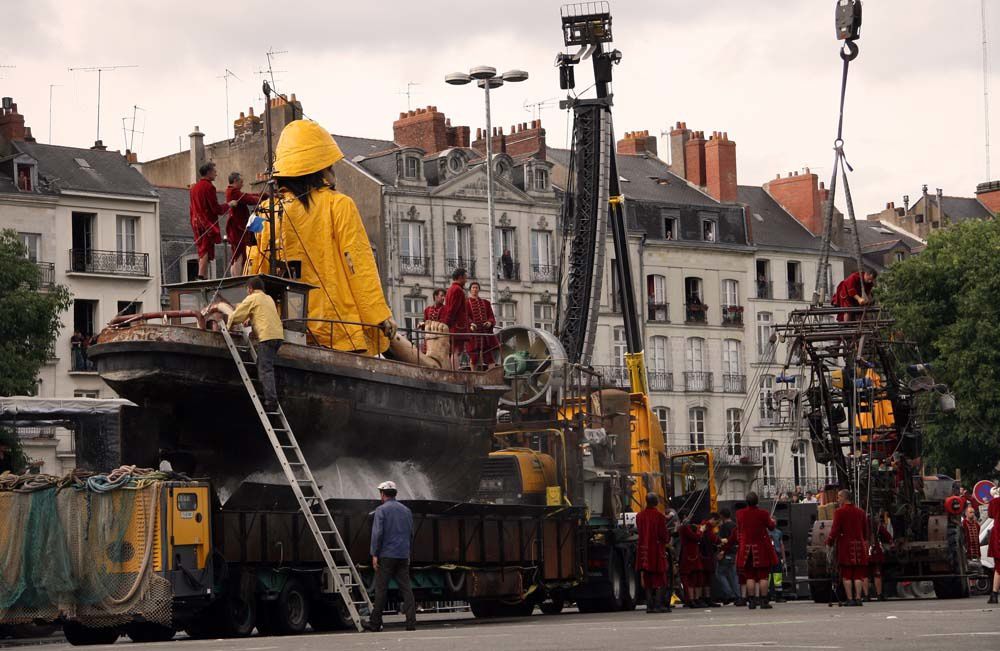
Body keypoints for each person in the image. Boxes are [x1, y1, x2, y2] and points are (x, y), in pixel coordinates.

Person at [251, 119, 395, 355]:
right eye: (329, 166)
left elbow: (254, 267)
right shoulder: (338, 205)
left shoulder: (266, 211)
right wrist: (379, 315)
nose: (333, 172)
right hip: (337, 331)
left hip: (281, 332)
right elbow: (358, 265)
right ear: (318, 170)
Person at [364, 481, 416, 632]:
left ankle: (374, 623)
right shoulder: (406, 511)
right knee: (406, 589)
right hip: (403, 555)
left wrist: (374, 554)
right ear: (395, 493)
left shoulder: (381, 510)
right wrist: (407, 552)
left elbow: (377, 534)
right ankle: (411, 623)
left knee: (381, 589)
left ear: (382, 494)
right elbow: (411, 534)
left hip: (386, 555)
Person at [227, 277, 285, 411]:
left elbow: (237, 315)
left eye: (247, 290)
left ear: (250, 288)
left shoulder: (252, 298)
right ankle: (266, 394)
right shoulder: (268, 298)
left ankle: (271, 402)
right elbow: (264, 316)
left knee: (266, 369)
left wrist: (228, 325)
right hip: (278, 336)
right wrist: (251, 320)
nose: (247, 292)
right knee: (262, 364)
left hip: (267, 337)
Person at [190, 161, 235, 280]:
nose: (216, 174)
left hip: (196, 221)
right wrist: (229, 205)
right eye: (214, 171)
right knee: (206, 248)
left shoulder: (194, 188)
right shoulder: (209, 187)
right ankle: (201, 276)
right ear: (209, 173)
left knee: (202, 248)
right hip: (206, 222)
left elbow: (192, 207)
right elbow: (215, 208)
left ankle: (203, 275)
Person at [826, 489, 870, 606]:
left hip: (845, 546)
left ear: (845, 498)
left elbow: (835, 530)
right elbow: (865, 531)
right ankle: (858, 598)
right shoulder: (861, 512)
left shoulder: (839, 512)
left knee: (846, 574)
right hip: (859, 545)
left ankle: (850, 599)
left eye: (839, 496)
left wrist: (829, 541)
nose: (838, 499)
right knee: (858, 574)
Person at [736, 491, 778, 610]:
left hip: (746, 549)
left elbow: (739, 530)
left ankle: (752, 601)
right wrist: (772, 522)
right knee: (763, 576)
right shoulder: (763, 513)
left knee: (750, 576)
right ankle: (764, 601)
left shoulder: (740, 514)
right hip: (761, 547)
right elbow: (771, 526)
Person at [636, 493, 671, 614]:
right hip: (656, 550)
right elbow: (664, 535)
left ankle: (649, 605)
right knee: (661, 580)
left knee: (648, 580)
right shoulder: (659, 516)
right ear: (655, 502)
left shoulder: (639, 516)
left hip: (643, 551)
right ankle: (658, 605)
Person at [225, 172, 263, 277]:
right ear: (235, 181)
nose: (242, 184)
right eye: (241, 182)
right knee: (239, 255)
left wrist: (262, 195)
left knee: (237, 255)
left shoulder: (232, 192)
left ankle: (235, 278)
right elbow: (247, 198)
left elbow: (247, 196)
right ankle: (237, 279)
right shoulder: (233, 192)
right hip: (237, 228)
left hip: (236, 228)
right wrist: (260, 199)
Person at [438, 268, 471, 369]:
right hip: (457, 326)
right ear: (460, 277)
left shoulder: (451, 289)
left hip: (454, 324)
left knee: (454, 351)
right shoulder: (457, 290)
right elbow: (452, 309)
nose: (466, 280)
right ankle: (455, 373)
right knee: (455, 351)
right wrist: (447, 323)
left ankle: (454, 371)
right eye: (465, 278)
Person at [465, 281, 500, 370]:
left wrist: (489, 322)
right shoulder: (466, 303)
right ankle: (473, 376)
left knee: (489, 358)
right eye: (473, 288)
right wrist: (471, 323)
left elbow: (491, 316)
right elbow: (465, 316)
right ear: (470, 290)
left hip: (485, 335)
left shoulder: (486, 303)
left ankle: (491, 376)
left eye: (476, 287)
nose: (475, 289)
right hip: (474, 335)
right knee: (474, 358)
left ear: (479, 289)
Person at [714, 508, 743, 606]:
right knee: (733, 575)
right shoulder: (735, 525)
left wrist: (722, 551)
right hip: (735, 553)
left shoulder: (723, 527)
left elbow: (725, 541)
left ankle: (729, 593)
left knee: (719, 573)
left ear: (722, 516)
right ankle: (738, 595)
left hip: (726, 553)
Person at [677, 515, 704, 607]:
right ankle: (691, 599)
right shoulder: (684, 528)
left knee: (693, 579)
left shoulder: (683, 528)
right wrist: (700, 531)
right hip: (690, 555)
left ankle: (693, 599)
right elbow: (696, 537)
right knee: (689, 579)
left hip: (690, 554)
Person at [868, 510, 893, 601]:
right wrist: (891, 542)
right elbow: (887, 536)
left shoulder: (860, 523)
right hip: (875, 550)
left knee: (864, 574)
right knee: (877, 573)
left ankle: (866, 595)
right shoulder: (877, 525)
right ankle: (879, 594)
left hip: (863, 549)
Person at [699, 513, 722, 607]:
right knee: (705, 578)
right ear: (712, 519)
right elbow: (712, 538)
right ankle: (705, 598)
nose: (715, 525)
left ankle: (706, 598)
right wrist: (720, 540)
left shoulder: (704, 525)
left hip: (706, 554)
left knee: (706, 578)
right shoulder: (706, 526)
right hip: (706, 555)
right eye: (715, 522)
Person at [987, 486, 1000, 604]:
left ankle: (994, 594)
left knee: (998, 568)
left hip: (998, 535)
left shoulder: (994, 502)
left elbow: (990, 515)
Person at [768, 525, 786, 603]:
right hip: (767, 555)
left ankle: (779, 595)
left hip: (776, 554)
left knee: (777, 575)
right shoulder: (765, 532)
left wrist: (783, 557)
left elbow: (781, 544)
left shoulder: (778, 532)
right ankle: (767, 594)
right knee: (767, 575)